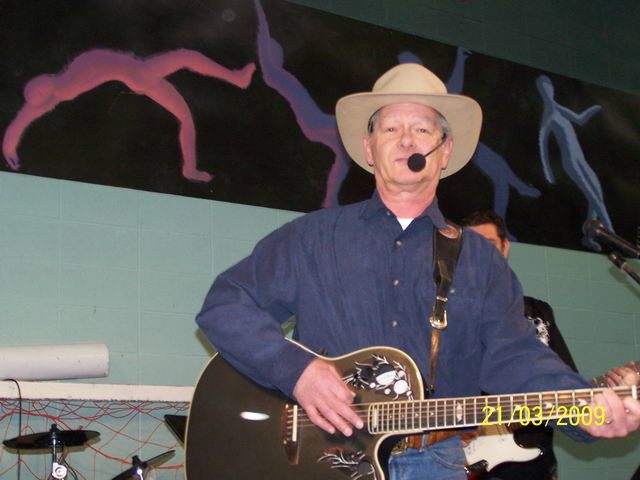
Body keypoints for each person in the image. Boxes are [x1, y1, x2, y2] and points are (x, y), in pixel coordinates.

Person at [196, 63, 640, 479]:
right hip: (325, 461)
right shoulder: (310, 238)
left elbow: (516, 356)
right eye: (391, 128)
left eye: (422, 129)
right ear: (369, 148)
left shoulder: (481, 260)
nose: (407, 140)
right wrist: (297, 371)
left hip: (436, 462)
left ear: (444, 151)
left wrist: (585, 410)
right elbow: (225, 305)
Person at [3, 49, 256, 182]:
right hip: (138, 74)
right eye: (37, 92)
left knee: (186, 118)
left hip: (139, 75)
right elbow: (25, 116)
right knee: (186, 56)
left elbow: (21, 120)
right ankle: (237, 78)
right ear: (44, 95)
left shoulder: (65, 79)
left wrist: (8, 148)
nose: (39, 84)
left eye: (36, 84)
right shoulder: (64, 88)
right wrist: (9, 146)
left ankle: (190, 169)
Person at [461, 209, 579, 479]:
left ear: (505, 248)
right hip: (461, 464)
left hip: (532, 465)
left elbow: (564, 383)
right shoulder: (443, 316)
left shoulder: (537, 312)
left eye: (488, 245)